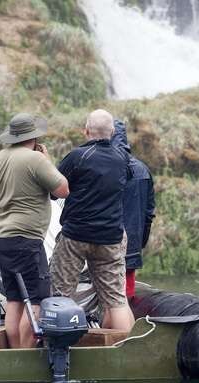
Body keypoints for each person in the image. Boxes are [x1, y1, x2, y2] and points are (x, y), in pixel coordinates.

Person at [0, 113, 69, 348]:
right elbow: (63, 190)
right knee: (36, 301)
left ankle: (13, 355)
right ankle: (25, 355)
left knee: (15, 300)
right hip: (27, 240)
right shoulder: (36, 160)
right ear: (34, 136)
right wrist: (47, 161)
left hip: (1, 239)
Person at [49, 109, 135, 331]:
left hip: (76, 236)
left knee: (61, 294)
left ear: (86, 131)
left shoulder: (77, 157)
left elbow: (54, 190)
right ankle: (126, 347)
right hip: (111, 237)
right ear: (113, 132)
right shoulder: (123, 158)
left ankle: (59, 351)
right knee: (116, 299)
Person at [110, 120, 155, 301]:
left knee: (108, 295)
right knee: (125, 296)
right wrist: (139, 242)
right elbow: (149, 212)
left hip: (106, 242)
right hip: (132, 244)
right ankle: (127, 325)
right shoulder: (143, 170)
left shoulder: (103, 167)